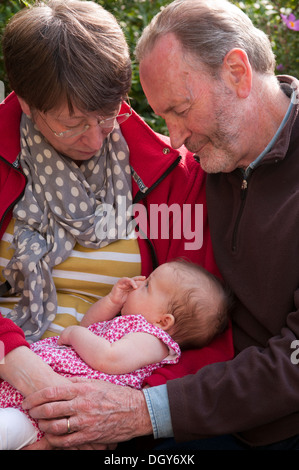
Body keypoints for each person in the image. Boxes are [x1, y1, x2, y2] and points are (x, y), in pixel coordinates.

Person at [21, 0, 299, 451]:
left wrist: (143, 410)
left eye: (181, 109)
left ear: (237, 73)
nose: (175, 139)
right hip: (196, 409)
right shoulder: (207, 166)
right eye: (162, 116)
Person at [0, 260, 230, 450]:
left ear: (164, 321)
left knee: (8, 427)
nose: (139, 282)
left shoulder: (152, 340)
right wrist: (112, 302)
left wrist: (73, 333)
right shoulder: (131, 325)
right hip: (31, 385)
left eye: (148, 285)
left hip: (46, 409)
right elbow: (91, 327)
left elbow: (108, 358)